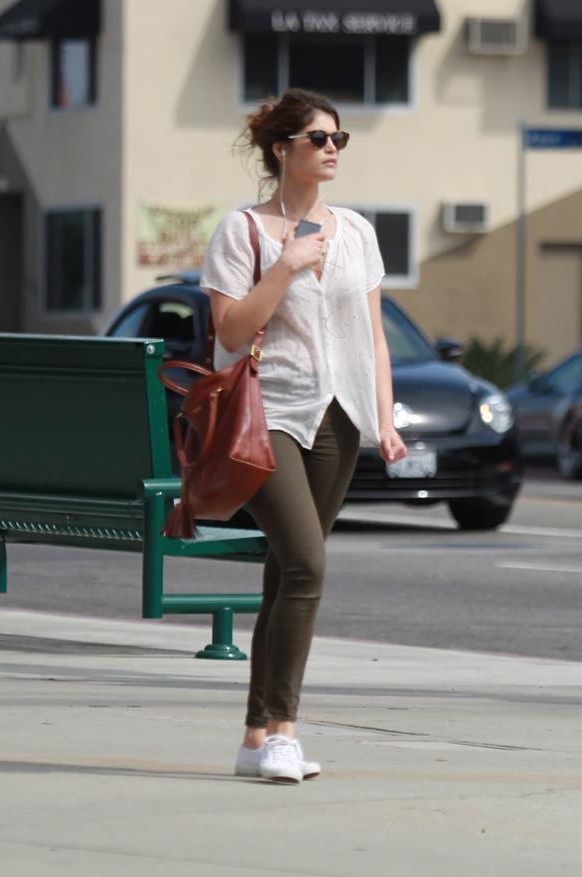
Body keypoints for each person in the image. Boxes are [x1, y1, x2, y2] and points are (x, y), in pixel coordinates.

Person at [200, 88, 407, 784]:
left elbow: (373, 338)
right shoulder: (244, 231)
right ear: (281, 148)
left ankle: (255, 737)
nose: (331, 150)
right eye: (318, 139)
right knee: (308, 568)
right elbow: (229, 333)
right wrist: (285, 266)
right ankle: (286, 732)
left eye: (338, 140)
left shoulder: (357, 231)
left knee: (285, 576)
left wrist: (385, 415)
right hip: (270, 418)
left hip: (340, 418)